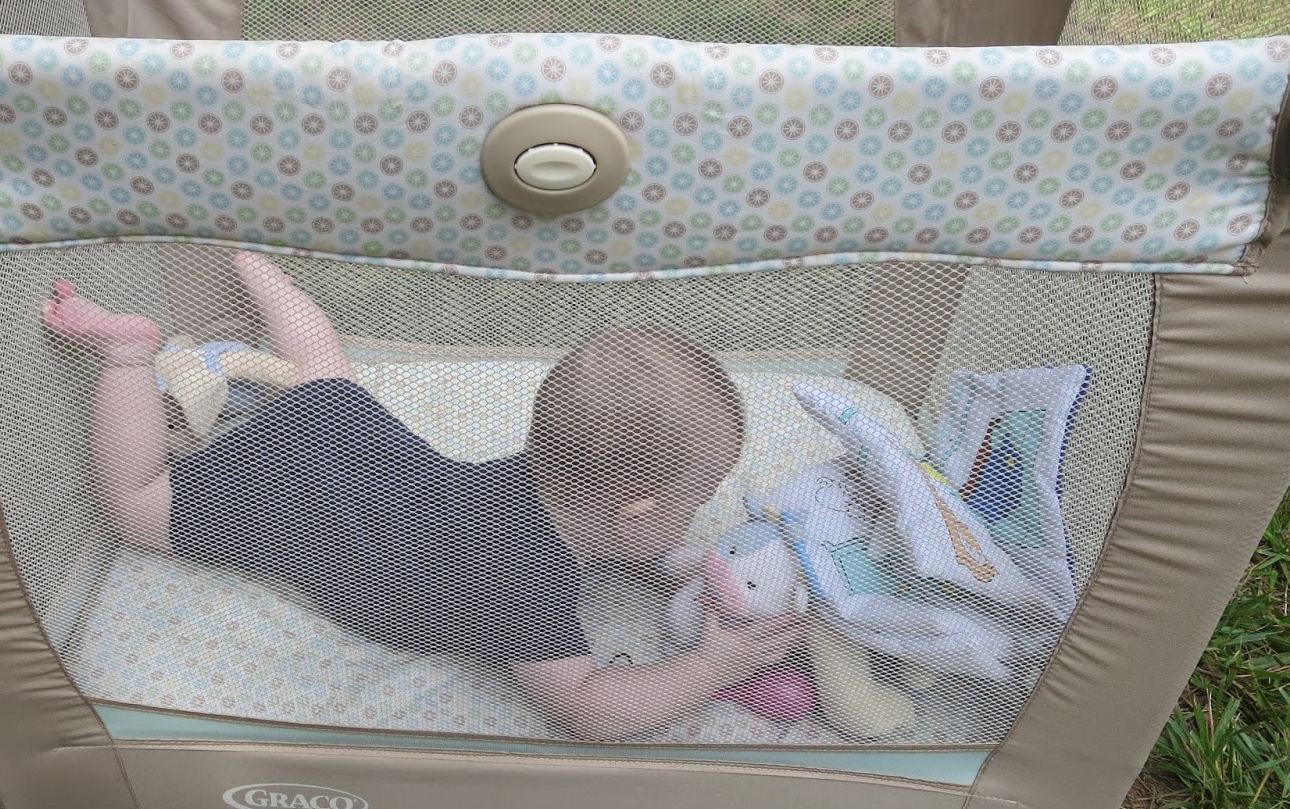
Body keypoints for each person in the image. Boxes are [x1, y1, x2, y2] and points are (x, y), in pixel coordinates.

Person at [43, 251, 805, 740]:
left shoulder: (537, 476)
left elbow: (610, 534)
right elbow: (587, 708)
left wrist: (674, 566)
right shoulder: (526, 588)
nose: (700, 514)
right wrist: (711, 667)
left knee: (324, 370)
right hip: (286, 501)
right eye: (694, 500)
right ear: (633, 512)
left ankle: (261, 275)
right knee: (136, 505)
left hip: (349, 442)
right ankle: (128, 358)